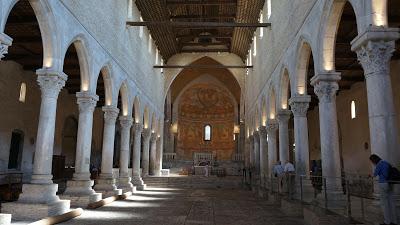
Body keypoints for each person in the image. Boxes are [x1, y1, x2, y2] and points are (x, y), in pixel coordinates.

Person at [369, 154, 397, 225]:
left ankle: (387, 222)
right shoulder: (386, 163)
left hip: (383, 184)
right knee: (391, 202)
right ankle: (394, 221)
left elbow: (374, 175)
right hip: (390, 183)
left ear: (373, 160)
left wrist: (370, 176)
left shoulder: (379, 164)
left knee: (384, 204)